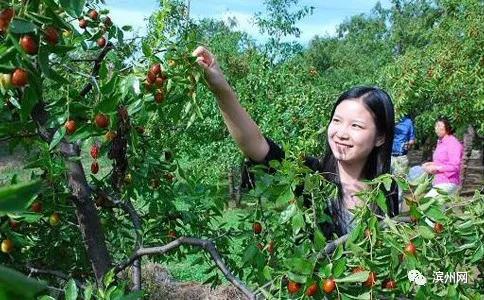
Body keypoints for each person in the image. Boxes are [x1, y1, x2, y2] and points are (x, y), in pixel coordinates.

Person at [192, 46, 398, 238]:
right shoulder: (310, 177)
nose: (341, 133)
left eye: (356, 126)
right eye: (337, 121)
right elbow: (256, 146)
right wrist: (220, 88)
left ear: (380, 137)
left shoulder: (389, 188)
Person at [422, 118, 463, 197]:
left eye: (439, 125)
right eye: (435, 126)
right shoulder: (441, 142)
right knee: (439, 208)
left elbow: (455, 166)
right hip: (439, 182)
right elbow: (443, 162)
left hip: (448, 182)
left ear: (447, 127)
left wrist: (436, 168)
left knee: (426, 205)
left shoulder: (453, 143)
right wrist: (430, 164)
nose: (436, 128)